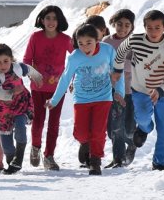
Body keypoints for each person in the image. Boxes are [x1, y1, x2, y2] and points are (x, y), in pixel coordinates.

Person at [45, 23, 125, 175]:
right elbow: (65, 78)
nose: (85, 47)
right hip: (82, 98)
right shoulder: (75, 57)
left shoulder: (107, 51)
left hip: (103, 96)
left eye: (89, 42)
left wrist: (119, 91)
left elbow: (117, 70)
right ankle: (85, 143)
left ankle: (95, 161)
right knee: (80, 132)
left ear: (97, 40)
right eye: (81, 43)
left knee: (98, 131)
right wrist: (54, 100)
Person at [111, 9, 164, 171]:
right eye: (149, 27)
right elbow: (120, 52)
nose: (153, 31)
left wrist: (161, 91)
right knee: (142, 118)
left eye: (157, 27)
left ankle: (159, 163)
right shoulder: (135, 40)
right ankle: (144, 128)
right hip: (140, 89)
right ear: (144, 27)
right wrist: (118, 70)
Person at [22, 5, 73, 171]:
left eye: (54, 18)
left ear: (60, 21)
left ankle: (49, 155)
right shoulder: (35, 37)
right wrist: (32, 74)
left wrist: (71, 79)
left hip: (58, 88)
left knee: (54, 123)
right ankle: (35, 147)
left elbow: (76, 58)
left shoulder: (65, 39)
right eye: (48, 18)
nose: (51, 22)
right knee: (37, 122)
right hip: (38, 87)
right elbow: (27, 60)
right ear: (42, 20)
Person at [0, 44, 43, 174]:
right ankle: (11, 160)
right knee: (6, 144)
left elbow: (29, 69)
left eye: (6, 61)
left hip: (21, 104)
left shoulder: (17, 68)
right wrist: (13, 91)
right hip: (4, 109)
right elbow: (0, 94)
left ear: (11, 59)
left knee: (20, 127)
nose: (2, 65)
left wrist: (37, 77)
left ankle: (18, 160)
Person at [102, 9, 137, 167]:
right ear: (113, 24)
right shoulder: (106, 42)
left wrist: (118, 66)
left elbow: (139, 64)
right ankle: (118, 158)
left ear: (132, 26)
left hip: (131, 90)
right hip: (113, 91)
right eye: (119, 24)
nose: (123, 28)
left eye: (127, 25)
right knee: (113, 128)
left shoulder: (136, 42)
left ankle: (132, 143)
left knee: (129, 129)